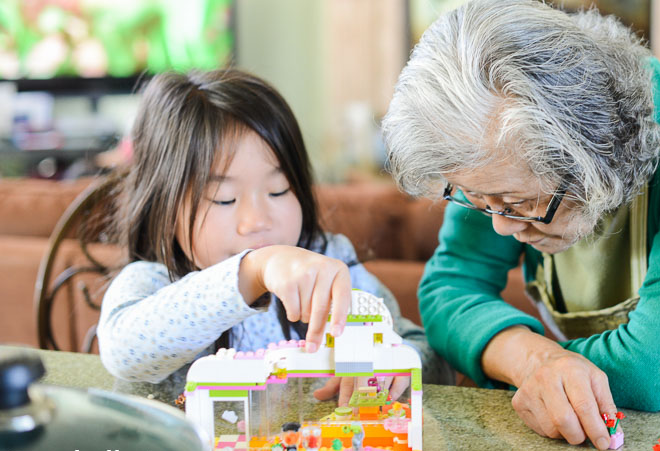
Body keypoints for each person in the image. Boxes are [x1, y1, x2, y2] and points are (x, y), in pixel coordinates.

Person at [381, 0, 660, 450]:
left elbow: (653, 369)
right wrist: (535, 361)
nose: (501, 227)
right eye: (477, 198)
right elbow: (448, 287)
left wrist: (515, 358)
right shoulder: (495, 148)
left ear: (595, 158)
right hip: (603, 434)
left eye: (515, 203)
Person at [98, 69, 451, 401]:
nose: (257, 220)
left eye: (279, 190)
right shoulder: (153, 283)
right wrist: (252, 271)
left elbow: (429, 355)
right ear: (164, 204)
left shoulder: (329, 266)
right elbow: (123, 352)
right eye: (224, 198)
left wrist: (394, 362)